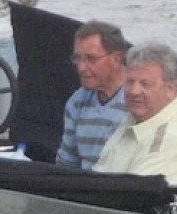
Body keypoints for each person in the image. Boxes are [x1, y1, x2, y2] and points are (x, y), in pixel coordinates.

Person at [94, 43, 177, 184]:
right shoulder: (142, 115)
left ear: (170, 89)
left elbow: (134, 199)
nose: (133, 91)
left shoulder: (171, 139)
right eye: (130, 82)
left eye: (145, 84)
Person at [56, 20, 130, 170]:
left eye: (91, 59)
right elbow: (66, 165)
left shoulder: (139, 101)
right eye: (77, 58)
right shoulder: (77, 102)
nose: (81, 68)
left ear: (116, 59)